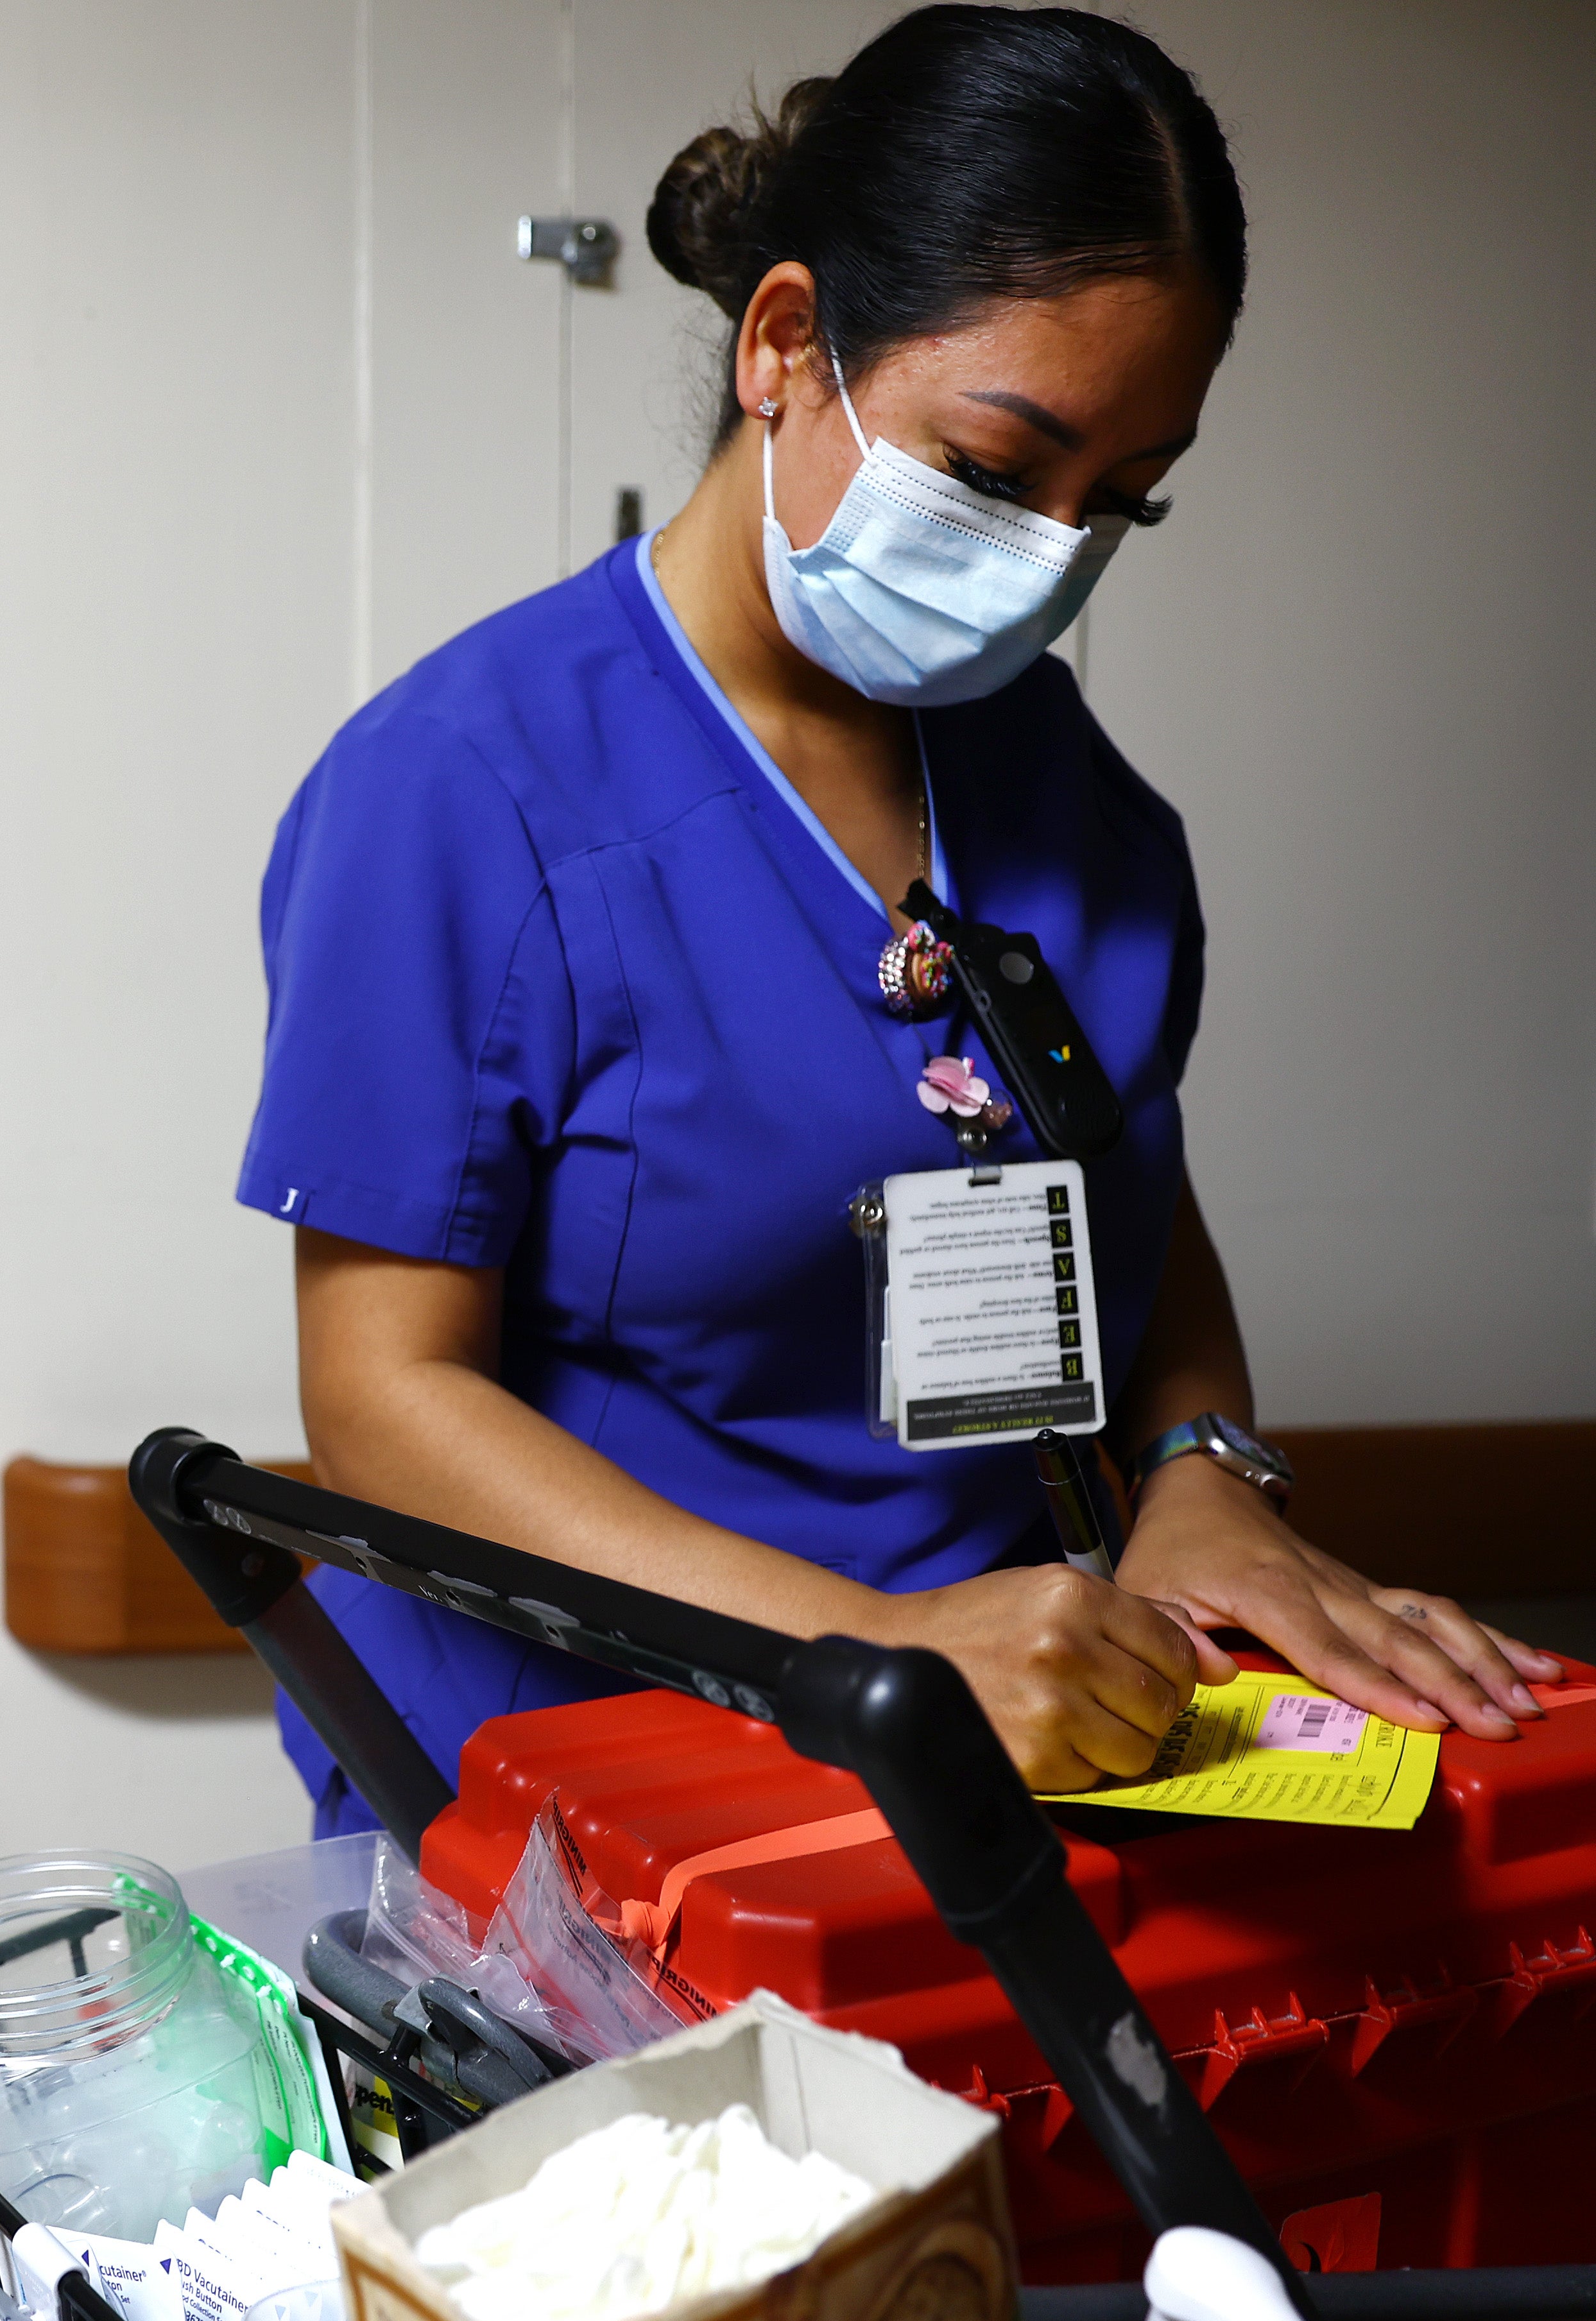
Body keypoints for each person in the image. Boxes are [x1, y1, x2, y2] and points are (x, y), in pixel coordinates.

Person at [238, 4, 1554, 1831]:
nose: (1051, 557)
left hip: (992, 1765)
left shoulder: (1061, 786)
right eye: (999, 471)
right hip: (573, 1793)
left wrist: (1198, 1468)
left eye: (1120, 504)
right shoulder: (462, 789)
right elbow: (384, 1397)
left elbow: (1123, 1185)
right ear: (786, 344)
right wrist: (870, 1648)